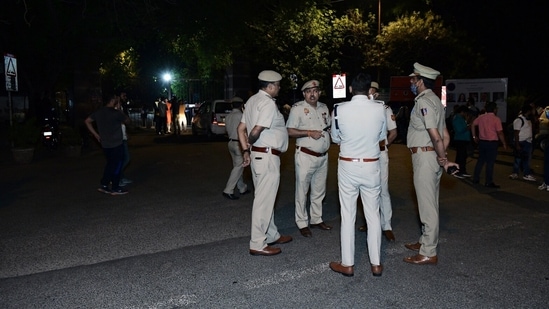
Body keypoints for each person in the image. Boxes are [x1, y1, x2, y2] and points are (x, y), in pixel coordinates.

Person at [328, 73, 386, 277]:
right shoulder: (380, 108)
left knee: (348, 214)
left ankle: (348, 263)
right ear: (369, 88)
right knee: (373, 214)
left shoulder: (338, 109)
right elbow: (382, 136)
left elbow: (335, 137)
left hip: (348, 165)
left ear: (351, 89)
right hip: (372, 165)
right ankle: (376, 263)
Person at [404, 62, 459, 266]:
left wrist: (442, 159)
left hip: (425, 157)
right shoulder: (435, 100)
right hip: (431, 156)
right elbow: (446, 136)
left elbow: (436, 136)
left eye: (413, 79)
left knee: (427, 206)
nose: (411, 82)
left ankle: (428, 252)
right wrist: (441, 158)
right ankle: (424, 241)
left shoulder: (424, 102)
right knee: (430, 202)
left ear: (420, 81)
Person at [238, 70, 292, 256]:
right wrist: (253, 143)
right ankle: (258, 243)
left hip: (258, 157)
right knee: (263, 201)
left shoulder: (252, 101)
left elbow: (240, 129)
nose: (278, 88)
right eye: (277, 85)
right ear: (269, 86)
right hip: (267, 156)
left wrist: (246, 150)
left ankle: (271, 234)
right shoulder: (267, 104)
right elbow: (254, 131)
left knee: (265, 198)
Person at [286, 80, 332, 238]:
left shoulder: (324, 107)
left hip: (323, 156)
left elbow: (329, 127)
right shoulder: (297, 109)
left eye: (315, 91)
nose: (312, 94)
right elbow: (290, 131)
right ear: (304, 94)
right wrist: (308, 133)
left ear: (319, 92)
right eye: (309, 91)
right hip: (306, 155)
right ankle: (302, 222)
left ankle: (316, 219)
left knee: (319, 190)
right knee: (302, 191)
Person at [358, 81, 398, 242]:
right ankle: (370, 223)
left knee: (382, 189)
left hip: (380, 154)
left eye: (373, 91)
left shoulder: (384, 109)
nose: (370, 93)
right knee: (366, 189)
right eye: (368, 90)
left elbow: (393, 132)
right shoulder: (359, 109)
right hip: (365, 154)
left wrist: (383, 144)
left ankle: (386, 225)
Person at [84, 94, 130, 195]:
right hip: (116, 143)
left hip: (105, 143)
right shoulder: (116, 113)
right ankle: (115, 187)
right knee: (117, 165)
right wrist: (119, 109)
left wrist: (96, 135)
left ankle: (104, 184)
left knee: (110, 164)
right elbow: (127, 120)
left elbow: (87, 121)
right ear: (113, 100)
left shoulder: (99, 112)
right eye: (117, 100)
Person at [471, 102, 508, 188]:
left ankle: (476, 178)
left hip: (482, 142)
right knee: (490, 163)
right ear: (494, 109)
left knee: (480, 161)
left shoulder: (481, 117)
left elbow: (473, 124)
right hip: (492, 143)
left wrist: (474, 136)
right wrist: (504, 143)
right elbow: (500, 132)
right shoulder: (496, 119)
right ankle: (488, 181)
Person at [222, 96, 250, 200]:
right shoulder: (241, 116)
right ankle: (228, 190)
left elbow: (226, 129)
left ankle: (242, 187)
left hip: (230, 142)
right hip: (239, 144)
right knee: (238, 167)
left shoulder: (228, 116)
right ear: (241, 105)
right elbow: (245, 130)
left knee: (237, 166)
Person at [509, 104, 536, 182]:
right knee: (521, 159)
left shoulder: (528, 119)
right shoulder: (519, 120)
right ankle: (524, 174)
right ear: (528, 111)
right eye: (531, 111)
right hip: (521, 142)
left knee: (523, 159)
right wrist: (517, 144)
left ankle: (518, 173)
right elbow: (516, 133)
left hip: (527, 141)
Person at [114, 98, 132, 187]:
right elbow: (126, 121)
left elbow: (124, 124)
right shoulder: (116, 113)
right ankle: (117, 177)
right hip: (119, 139)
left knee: (124, 159)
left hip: (122, 137)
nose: (120, 104)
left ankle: (120, 176)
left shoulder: (119, 112)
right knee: (124, 159)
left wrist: (126, 133)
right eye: (118, 103)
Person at [452, 105, 472, 178]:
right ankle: (459, 171)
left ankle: (461, 171)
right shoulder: (457, 118)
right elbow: (459, 130)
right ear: (462, 112)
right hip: (460, 139)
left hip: (463, 139)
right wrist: (467, 127)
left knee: (462, 156)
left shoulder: (460, 118)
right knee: (461, 156)